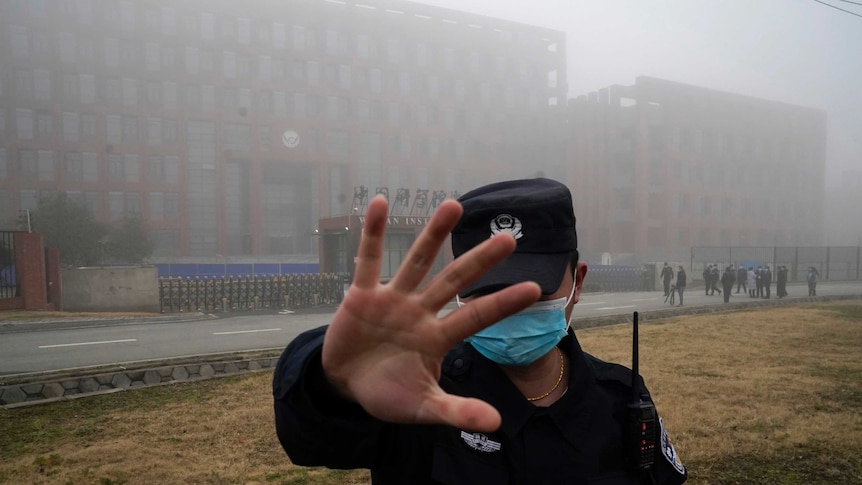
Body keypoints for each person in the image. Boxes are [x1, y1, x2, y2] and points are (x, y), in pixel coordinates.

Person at [272, 178, 687, 484]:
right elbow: (310, 440)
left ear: (577, 281)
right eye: (488, 289)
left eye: (532, 288)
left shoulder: (621, 398)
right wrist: (333, 383)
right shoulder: (418, 396)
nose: (509, 307)